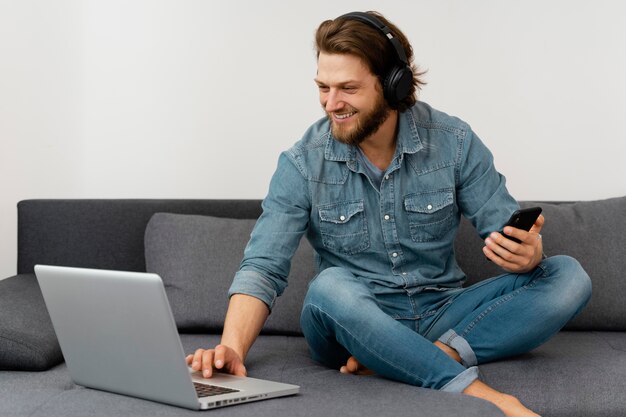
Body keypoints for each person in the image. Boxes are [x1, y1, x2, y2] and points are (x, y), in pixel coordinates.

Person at [186, 11, 591, 417]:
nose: (331, 103)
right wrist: (232, 349)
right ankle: (479, 394)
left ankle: (425, 355)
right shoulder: (301, 163)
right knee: (330, 287)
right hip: (351, 325)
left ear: (393, 85)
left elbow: (504, 233)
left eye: (348, 88)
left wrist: (527, 255)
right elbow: (263, 266)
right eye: (323, 88)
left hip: (440, 310)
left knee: (568, 276)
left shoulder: (455, 142)